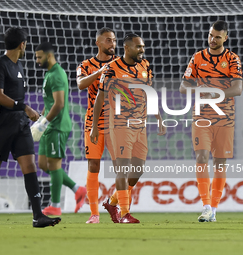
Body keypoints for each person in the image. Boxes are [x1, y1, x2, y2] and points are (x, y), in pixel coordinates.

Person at [0, 27, 61, 229]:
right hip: (1, 126)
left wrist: (23, 112)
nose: (26, 47)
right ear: (22, 44)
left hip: (19, 124)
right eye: (25, 44)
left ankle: (38, 216)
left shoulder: (19, 65)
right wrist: (25, 107)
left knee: (29, 166)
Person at [90, 34, 165, 223]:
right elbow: (100, 97)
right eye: (138, 47)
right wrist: (94, 126)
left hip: (140, 125)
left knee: (137, 170)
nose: (142, 50)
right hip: (120, 125)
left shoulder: (145, 66)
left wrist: (159, 117)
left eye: (143, 46)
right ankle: (124, 213)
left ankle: (112, 202)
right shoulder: (111, 69)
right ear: (127, 48)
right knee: (122, 169)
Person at [180, 20, 242, 222]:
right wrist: (199, 91)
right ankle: (206, 205)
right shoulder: (197, 58)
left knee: (220, 163)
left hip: (225, 117)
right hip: (202, 116)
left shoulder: (232, 59)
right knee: (201, 157)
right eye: (210, 35)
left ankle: (213, 210)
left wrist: (214, 94)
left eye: (217, 36)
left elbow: (237, 89)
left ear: (225, 37)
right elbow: (183, 86)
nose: (212, 39)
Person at [32, 42, 86, 216]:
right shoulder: (49, 74)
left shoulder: (57, 75)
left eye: (39, 57)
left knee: (54, 165)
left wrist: (44, 122)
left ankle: (55, 205)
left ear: (49, 56)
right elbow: (49, 103)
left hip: (57, 126)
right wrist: (41, 118)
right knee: (42, 164)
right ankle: (77, 189)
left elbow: (59, 104)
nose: (36, 60)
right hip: (49, 125)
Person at [76, 27, 118, 223]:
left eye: (114, 40)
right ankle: (94, 214)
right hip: (94, 122)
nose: (112, 44)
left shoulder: (120, 64)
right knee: (93, 164)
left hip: (116, 122)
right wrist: (100, 72)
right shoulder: (85, 64)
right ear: (98, 43)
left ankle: (116, 204)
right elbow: (80, 84)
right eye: (108, 40)